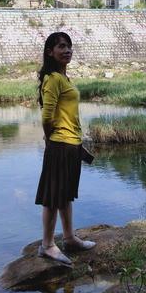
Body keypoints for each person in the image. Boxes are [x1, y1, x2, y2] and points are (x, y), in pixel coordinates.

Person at [35, 32, 96, 265]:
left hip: (71, 144)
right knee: (52, 197)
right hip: (60, 144)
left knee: (65, 195)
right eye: (61, 46)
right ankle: (47, 246)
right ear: (50, 52)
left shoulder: (64, 78)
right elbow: (47, 115)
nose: (67, 50)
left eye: (69, 46)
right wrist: (51, 139)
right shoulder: (52, 78)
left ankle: (69, 238)